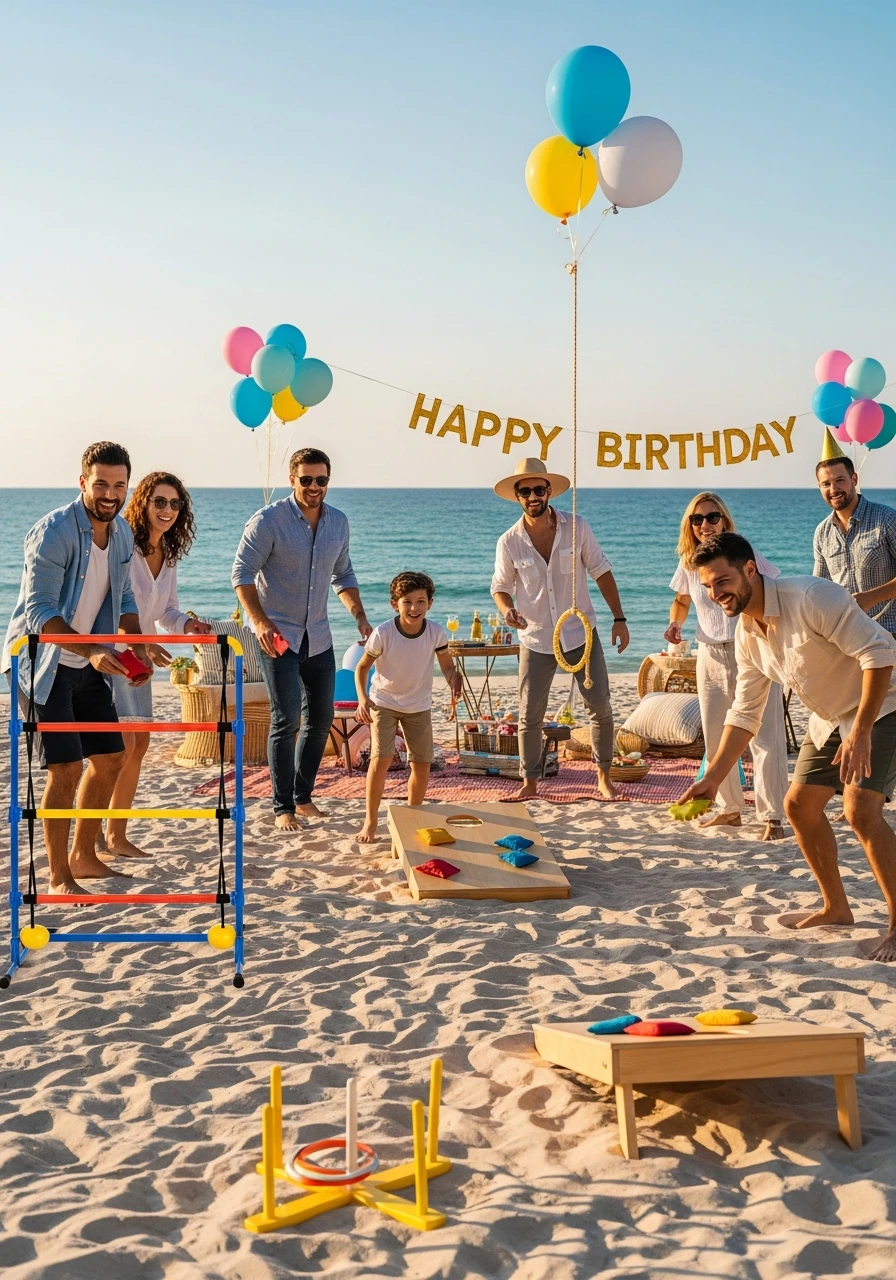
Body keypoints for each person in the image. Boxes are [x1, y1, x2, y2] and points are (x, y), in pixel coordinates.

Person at [678, 531, 896, 963]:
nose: (715, 593)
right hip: (829, 717)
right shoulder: (746, 634)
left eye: (722, 581)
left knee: (860, 809)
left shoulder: (812, 596)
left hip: (883, 703)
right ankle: (837, 908)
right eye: (707, 586)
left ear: (749, 570)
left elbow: (880, 653)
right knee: (798, 806)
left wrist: (861, 731)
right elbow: (745, 713)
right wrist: (713, 777)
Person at [2, 442, 155, 892]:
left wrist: (134, 638)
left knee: (111, 759)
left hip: (90, 660)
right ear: (83, 481)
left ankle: (85, 857)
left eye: (119, 485)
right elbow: (40, 613)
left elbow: (124, 597)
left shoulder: (123, 533)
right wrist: (90, 651)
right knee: (65, 770)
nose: (111, 494)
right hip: (42, 664)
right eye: (102, 484)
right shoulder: (53, 532)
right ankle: (58, 876)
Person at [231, 447, 372, 830]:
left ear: (328, 481)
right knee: (286, 719)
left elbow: (343, 575)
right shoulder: (267, 521)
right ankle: (282, 808)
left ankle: (303, 796)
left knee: (321, 718)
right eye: (306, 479)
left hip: (319, 637)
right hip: (276, 636)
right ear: (292, 479)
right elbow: (241, 575)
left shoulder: (338, 523)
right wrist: (259, 623)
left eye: (321, 480)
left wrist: (360, 617)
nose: (314, 487)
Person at [490, 457, 629, 802]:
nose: (533, 496)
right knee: (529, 714)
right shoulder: (509, 541)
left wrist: (619, 619)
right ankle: (530, 783)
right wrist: (508, 611)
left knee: (599, 706)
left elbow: (601, 571)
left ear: (549, 491)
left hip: (580, 634)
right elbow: (500, 587)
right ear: (517, 496)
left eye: (539, 489)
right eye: (526, 491)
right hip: (536, 638)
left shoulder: (577, 526)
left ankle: (604, 777)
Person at [100, 471, 212, 858]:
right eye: (159, 501)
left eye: (175, 503)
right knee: (120, 746)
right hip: (116, 656)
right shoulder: (122, 546)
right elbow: (110, 605)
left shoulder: (168, 554)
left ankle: (116, 834)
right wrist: (142, 644)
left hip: (141, 661)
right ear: (143, 502)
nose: (167, 510)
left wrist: (188, 625)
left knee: (139, 744)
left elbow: (165, 611)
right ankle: (97, 830)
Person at [666, 491, 788, 839]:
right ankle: (730, 809)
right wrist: (674, 623)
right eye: (697, 519)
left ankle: (772, 816)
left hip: (752, 649)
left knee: (765, 735)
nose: (705, 524)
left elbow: (771, 591)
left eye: (712, 517)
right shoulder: (690, 562)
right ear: (689, 525)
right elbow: (681, 600)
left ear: (725, 520)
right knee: (717, 735)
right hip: (709, 653)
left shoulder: (741, 554)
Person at [354, 572, 462, 843]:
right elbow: (362, 667)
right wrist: (363, 699)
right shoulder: (383, 633)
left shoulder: (436, 632)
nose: (414, 608)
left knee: (422, 763)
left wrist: (453, 680)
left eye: (421, 601)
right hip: (385, 702)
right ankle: (370, 821)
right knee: (381, 759)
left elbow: (447, 666)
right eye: (407, 602)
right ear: (395, 604)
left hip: (419, 705)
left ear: (430, 604)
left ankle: (413, 817)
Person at [814, 452, 896, 634]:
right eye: (826, 484)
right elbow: (820, 589)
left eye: (840, 480)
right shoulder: (822, 532)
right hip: (848, 638)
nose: (833, 489)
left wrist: (871, 598)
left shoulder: (886, 519)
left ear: (854, 479)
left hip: (890, 632)